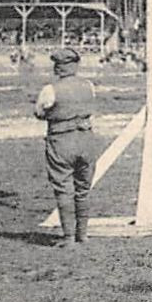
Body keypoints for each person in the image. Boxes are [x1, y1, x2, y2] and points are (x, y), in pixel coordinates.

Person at [33, 47, 98, 247]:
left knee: (63, 188)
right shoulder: (89, 85)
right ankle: (83, 235)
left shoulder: (50, 90)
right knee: (83, 189)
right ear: (75, 66)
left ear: (57, 67)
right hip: (86, 139)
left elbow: (39, 112)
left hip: (61, 141)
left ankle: (69, 237)